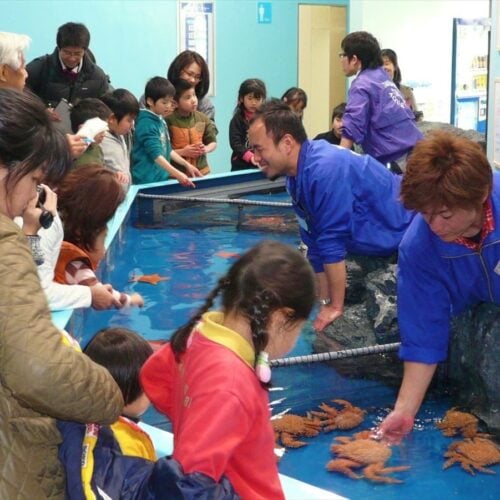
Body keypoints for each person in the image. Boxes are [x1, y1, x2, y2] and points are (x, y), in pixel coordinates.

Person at [0, 88, 123, 499]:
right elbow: (38, 368)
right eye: (34, 179)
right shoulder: (5, 243)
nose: (26, 202)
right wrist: (110, 394)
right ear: (5, 169)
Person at [140, 240, 315, 498]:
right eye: (300, 327)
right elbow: (189, 485)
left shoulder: (197, 336)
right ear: (280, 317)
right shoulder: (230, 384)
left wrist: (193, 418)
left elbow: (152, 375)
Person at [248, 100, 414, 332]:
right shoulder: (296, 177)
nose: (255, 157)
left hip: (409, 221)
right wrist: (322, 303)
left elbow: (331, 241)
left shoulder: (324, 169)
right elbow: (313, 241)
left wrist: (336, 307)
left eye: (259, 148)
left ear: (286, 143)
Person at [378, 132, 498, 443]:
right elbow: (423, 332)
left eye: (445, 214)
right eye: (426, 214)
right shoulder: (418, 247)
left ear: (482, 193)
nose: (435, 226)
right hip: (471, 310)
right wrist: (405, 411)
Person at [54, 164, 144, 309]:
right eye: (103, 238)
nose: (103, 251)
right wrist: (131, 299)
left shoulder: (56, 230)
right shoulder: (76, 266)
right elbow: (104, 295)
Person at [339, 31, 422, 172]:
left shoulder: (362, 84)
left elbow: (352, 125)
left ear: (354, 59)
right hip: (416, 151)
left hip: (396, 160)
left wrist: (338, 162)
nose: (341, 59)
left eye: (342, 55)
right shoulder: (382, 77)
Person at [131, 76, 199, 185]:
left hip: (160, 179)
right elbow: (156, 155)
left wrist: (187, 165)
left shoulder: (159, 119)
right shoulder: (146, 124)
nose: (168, 106)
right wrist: (178, 174)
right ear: (150, 101)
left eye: (170, 102)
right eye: (164, 102)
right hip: (146, 181)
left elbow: (168, 150)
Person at [25, 22, 110, 108]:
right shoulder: (36, 69)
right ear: (59, 48)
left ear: (85, 50)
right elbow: (20, 100)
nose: (72, 58)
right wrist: (42, 110)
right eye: (67, 52)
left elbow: (106, 110)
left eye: (77, 53)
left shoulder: (97, 76)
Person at [167, 79, 218, 176]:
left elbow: (213, 142)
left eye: (194, 95)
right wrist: (183, 152)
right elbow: (165, 151)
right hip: (178, 174)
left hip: (201, 172)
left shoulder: (202, 118)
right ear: (175, 103)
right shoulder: (168, 121)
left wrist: (206, 149)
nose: (193, 100)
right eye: (188, 97)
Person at [100, 88, 140, 186]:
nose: (132, 125)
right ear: (112, 119)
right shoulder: (100, 141)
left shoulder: (120, 135)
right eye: (129, 120)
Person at [229, 78, 266, 171]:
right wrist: (250, 157)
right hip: (240, 165)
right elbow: (235, 144)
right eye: (250, 98)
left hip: (262, 163)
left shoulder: (266, 118)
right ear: (241, 98)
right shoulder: (237, 120)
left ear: (263, 100)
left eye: (257, 99)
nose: (253, 103)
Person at [167, 49, 214, 120]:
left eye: (197, 77)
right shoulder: (156, 93)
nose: (192, 80)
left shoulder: (204, 105)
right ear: (177, 71)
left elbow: (209, 130)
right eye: (189, 74)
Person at [70, 97, 112, 168]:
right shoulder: (74, 156)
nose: (104, 134)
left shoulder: (97, 149)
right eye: (100, 129)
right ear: (83, 128)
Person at [381, 48, 420, 118]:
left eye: (387, 64)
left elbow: (417, 119)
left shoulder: (406, 91)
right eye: (380, 65)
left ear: (395, 66)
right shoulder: (374, 92)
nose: (384, 67)